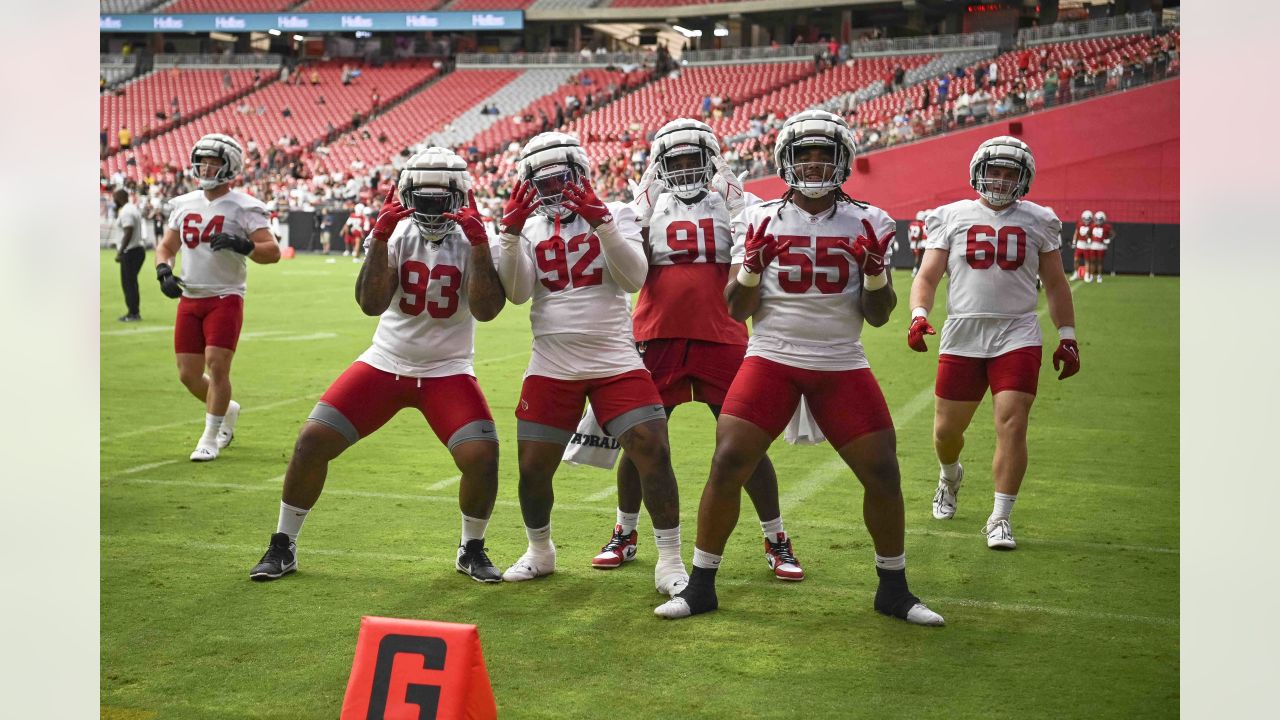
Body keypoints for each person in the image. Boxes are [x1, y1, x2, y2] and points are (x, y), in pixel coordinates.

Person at [655, 110, 943, 626]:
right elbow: (736, 309)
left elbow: (878, 317)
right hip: (771, 356)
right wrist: (749, 268)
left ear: (843, 161)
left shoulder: (871, 220)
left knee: (882, 470)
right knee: (728, 462)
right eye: (804, 153)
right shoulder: (757, 217)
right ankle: (700, 586)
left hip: (840, 360)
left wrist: (876, 274)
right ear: (786, 160)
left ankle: (893, 589)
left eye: (824, 153)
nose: (814, 163)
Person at [249, 148, 509, 583]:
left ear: (460, 196)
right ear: (405, 195)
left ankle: (471, 548)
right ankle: (283, 544)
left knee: (482, 456)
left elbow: (487, 310)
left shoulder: (478, 238)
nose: (429, 209)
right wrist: (382, 236)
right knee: (312, 440)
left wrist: (481, 243)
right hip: (385, 361)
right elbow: (370, 304)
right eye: (421, 199)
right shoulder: (397, 233)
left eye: (439, 199)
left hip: (447, 369)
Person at [597, 118, 803, 581]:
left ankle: (776, 538)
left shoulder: (737, 203)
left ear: (711, 162)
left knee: (744, 444)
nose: (687, 169)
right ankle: (624, 532)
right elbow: (625, 259)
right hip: (657, 334)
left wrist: (739, 214)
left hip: (722, 333)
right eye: (677, 161)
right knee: (638, 445)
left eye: (694, 160)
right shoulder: (646, 207)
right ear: (661, 166)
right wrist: (637, 211)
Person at [494, 132, 689, 597]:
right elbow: (518, 293)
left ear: (579, 174)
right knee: (533, 466)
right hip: (551, 360)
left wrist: (601, 222)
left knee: (652, 449)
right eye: (544, 183)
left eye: (562, 178)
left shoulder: (617, 211)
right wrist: (510, 233)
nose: (555, 190)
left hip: (614, 356)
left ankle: (670, 557)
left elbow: (635, 277)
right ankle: (540, 551)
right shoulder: (531, 228)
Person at [907, 136, 1080, 551]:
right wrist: (918, 315)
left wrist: (1068, 337)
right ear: (976, 172)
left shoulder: (1039, 220)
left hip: (1017, 333)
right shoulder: (951, 215)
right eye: (994, 170)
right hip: (963, 332)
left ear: (1025, 179)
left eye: (1009, 172)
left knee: (1012, 422)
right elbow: (928, 276)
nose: (1000, 180)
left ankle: (1000, 517)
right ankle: (950, 476)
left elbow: (1055, 283)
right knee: (947, 433)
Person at [154, 134, 281, 462]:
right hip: (191, 297)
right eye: (203, 160)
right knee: (188, 374)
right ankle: (227, 409)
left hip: (225, 296)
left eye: (214, 161)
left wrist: (245, 246)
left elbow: (273, 252)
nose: (206, 167)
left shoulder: (245, 206)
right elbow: (167, 248)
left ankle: (210, 436)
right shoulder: (183, 203)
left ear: (231, 167)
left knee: (218, 365)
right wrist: (163, 271)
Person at [112, 189, 146, 322]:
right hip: (136, 250)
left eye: (115, 198)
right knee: (131, 283)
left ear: (120, 198)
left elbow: (128, 231)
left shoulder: (126, 212)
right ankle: (133, 311)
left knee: (128, 284)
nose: (114, 201)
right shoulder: (132, 208)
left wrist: (120, 251)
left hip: (130, 252)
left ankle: (133, 313)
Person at [1089, 210, 1113, 282]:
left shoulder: (1106, 226)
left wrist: (1108, 239)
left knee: (1100, 261)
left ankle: (1099, 276)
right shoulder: (1092, 225)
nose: (1098, 221)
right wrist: (1089, 239)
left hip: (1102, 246)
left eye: (1100, 219)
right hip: (1093, 245)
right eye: (1097, 219)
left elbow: (1113, 234)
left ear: (1103, 219)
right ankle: (1092, 276)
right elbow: (1088, 233)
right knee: (1093, 261)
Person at [1073, 210, 1093, 281]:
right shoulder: (1079, 224)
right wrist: (1074, 241)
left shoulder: (1092, 225)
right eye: (1085, 219)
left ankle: (1087, 275)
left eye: (1088, 219)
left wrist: (1091, 240)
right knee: (1076, 260)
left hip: (1087, 246)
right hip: (1080, 244)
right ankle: (1076, 273)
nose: (1087, 220)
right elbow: (1076, 232)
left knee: (1087, 261)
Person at [909, 209, 928, 277]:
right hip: (919, 242)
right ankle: (916, 270)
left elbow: (909, 234)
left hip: (913, 242)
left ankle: (916, 270)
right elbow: (920, 233)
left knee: (917, 257)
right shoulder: (922, 224)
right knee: (920, 257)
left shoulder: (911, 224)